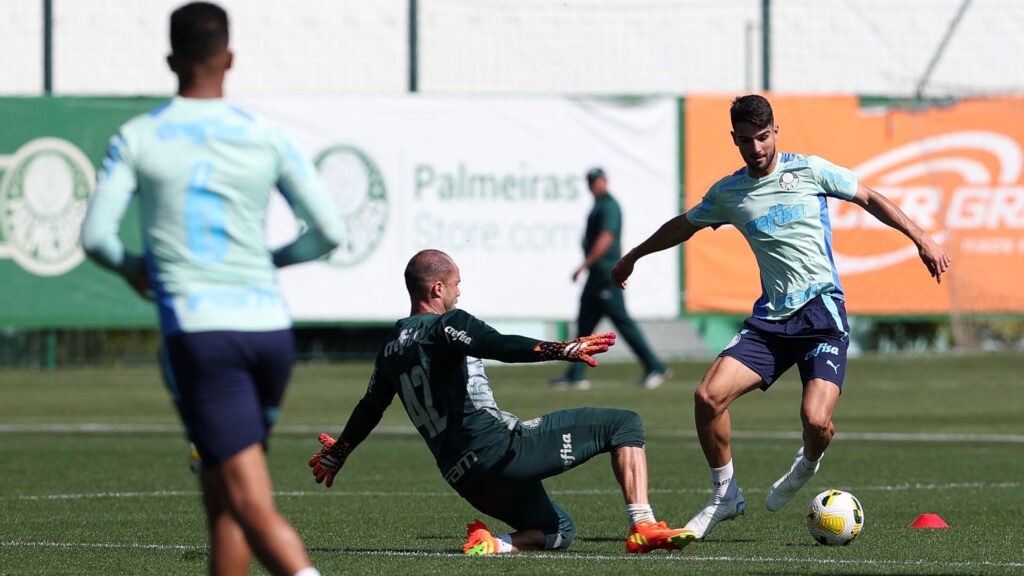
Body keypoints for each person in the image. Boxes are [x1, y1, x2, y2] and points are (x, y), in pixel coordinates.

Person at [611, 94, 951, 540]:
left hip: (822, 316)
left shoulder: (808, 170)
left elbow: (869, 197)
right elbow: (685, 223)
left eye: (763, 137)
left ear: (776, 131)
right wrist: (635, 255)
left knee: (816, 421)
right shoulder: (728, 193)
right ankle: (725, 494)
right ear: (734, 139)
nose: (756, 148)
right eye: (746, 140)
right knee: (707, 397)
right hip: (770, 322)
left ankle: (807, 463)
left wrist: (920, 237)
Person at [80, 3, 344, 575]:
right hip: (270, 334)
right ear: (230, 58)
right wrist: (268, 260)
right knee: (221, 497)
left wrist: (132, 268)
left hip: (204, 339)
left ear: (171, 59)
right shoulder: (265, 135)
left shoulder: (138, 136)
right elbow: (330, 232)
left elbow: (97, 238)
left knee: (248, 502)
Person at [307, 249, 695, 554]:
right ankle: (643, 525)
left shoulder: (390, 350)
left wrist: (340, 450)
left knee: (559, 531)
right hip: (500, 451)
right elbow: (497, 345)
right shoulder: (446, 323)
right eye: (456, 283)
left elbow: (370, 406)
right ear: (436, 289)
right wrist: (560, 348)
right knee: (624, 423)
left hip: (466, 479)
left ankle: (493, 544)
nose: (460, 292)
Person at [551, 167, 672, 390]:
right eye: (590, 181)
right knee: (584, 325)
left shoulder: (608, 205)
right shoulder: (599, 205)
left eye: (596, 180)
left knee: (622, 322)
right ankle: (576, 373)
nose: (593, 185)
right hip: (596, 274)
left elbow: (606, 237)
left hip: (606, 274)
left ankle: (655, 366)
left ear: (605, 181)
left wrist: (585, 264)